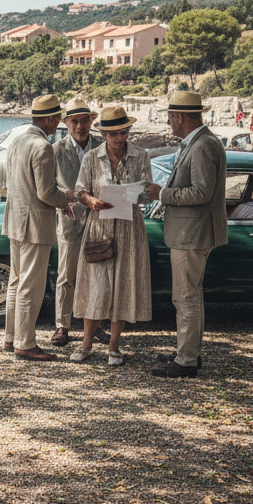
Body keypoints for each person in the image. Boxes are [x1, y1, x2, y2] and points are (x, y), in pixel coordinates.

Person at [145, 91, 228, 378]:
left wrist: (163, 193)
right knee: (191, 295)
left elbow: (201, 192)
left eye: (170, 118)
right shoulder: (202, 142)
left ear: (180, 117)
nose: (169, 123)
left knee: (185, 297)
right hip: (191, 232)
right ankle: (188, 352)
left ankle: (186, 360)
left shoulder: (203, 145)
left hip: (191, 233)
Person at [69, 106, 153, 365]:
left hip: (129, 227)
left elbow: (147, 191)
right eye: (114, 133)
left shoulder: (141, 155)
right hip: (99, 225)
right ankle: (85, 345)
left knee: (123, 285)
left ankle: (114, 347)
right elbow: (79, 191)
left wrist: (137, 193)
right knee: (96, 286)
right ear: (104, 133)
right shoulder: (92, 158)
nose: (120, 137)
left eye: (124, 131)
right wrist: (91, 200)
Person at [2, 94, 75, 361]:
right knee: (30, 286)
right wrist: (66, 197)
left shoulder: (17, 141)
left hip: (14, 219)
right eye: (58, 118)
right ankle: (25, 342)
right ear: (50, 119)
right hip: (34, 224)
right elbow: (45, 192)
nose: (59, 123)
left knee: (16, 282)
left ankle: (11, 337)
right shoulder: (42, 146)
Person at [50, 97, 104, 346]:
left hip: (100, 220)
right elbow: (50, 186)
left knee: (98, 273)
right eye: (75, 121)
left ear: (92, 121)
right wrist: (66, 199)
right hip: (70, 221)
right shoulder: (56, 150)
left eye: (85, 120)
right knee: (66, 275)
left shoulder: (103, 146)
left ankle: (95, 323)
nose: (80, 126)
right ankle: (62, 325)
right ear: (66, 123)